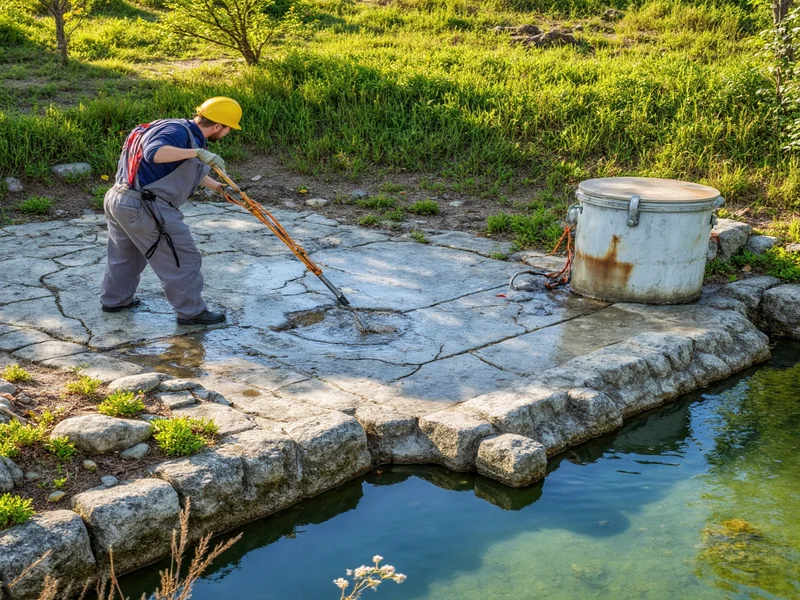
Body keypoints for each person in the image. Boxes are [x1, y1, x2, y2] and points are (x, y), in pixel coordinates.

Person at [99, 96, 243, 325]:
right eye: (228, 129)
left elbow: (176, 165)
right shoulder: (178, 134)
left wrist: (218, 187)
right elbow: (154, 154)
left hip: (120, 199)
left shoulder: (175, 128)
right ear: (218, 126)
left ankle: (115, 300)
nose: (227, 133)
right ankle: (192, 312)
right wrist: (196, 153)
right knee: (182, 256)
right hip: (144, 205)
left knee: (126, 255)